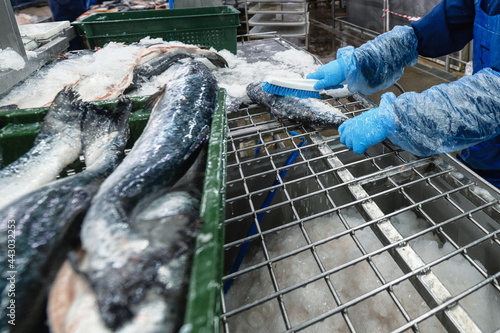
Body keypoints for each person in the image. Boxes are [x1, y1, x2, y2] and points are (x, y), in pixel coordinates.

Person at [307, 0, 500, 188]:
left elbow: (494, 95)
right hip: (480, 151)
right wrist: (360, 62)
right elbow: (428, 31)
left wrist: (400, 118)